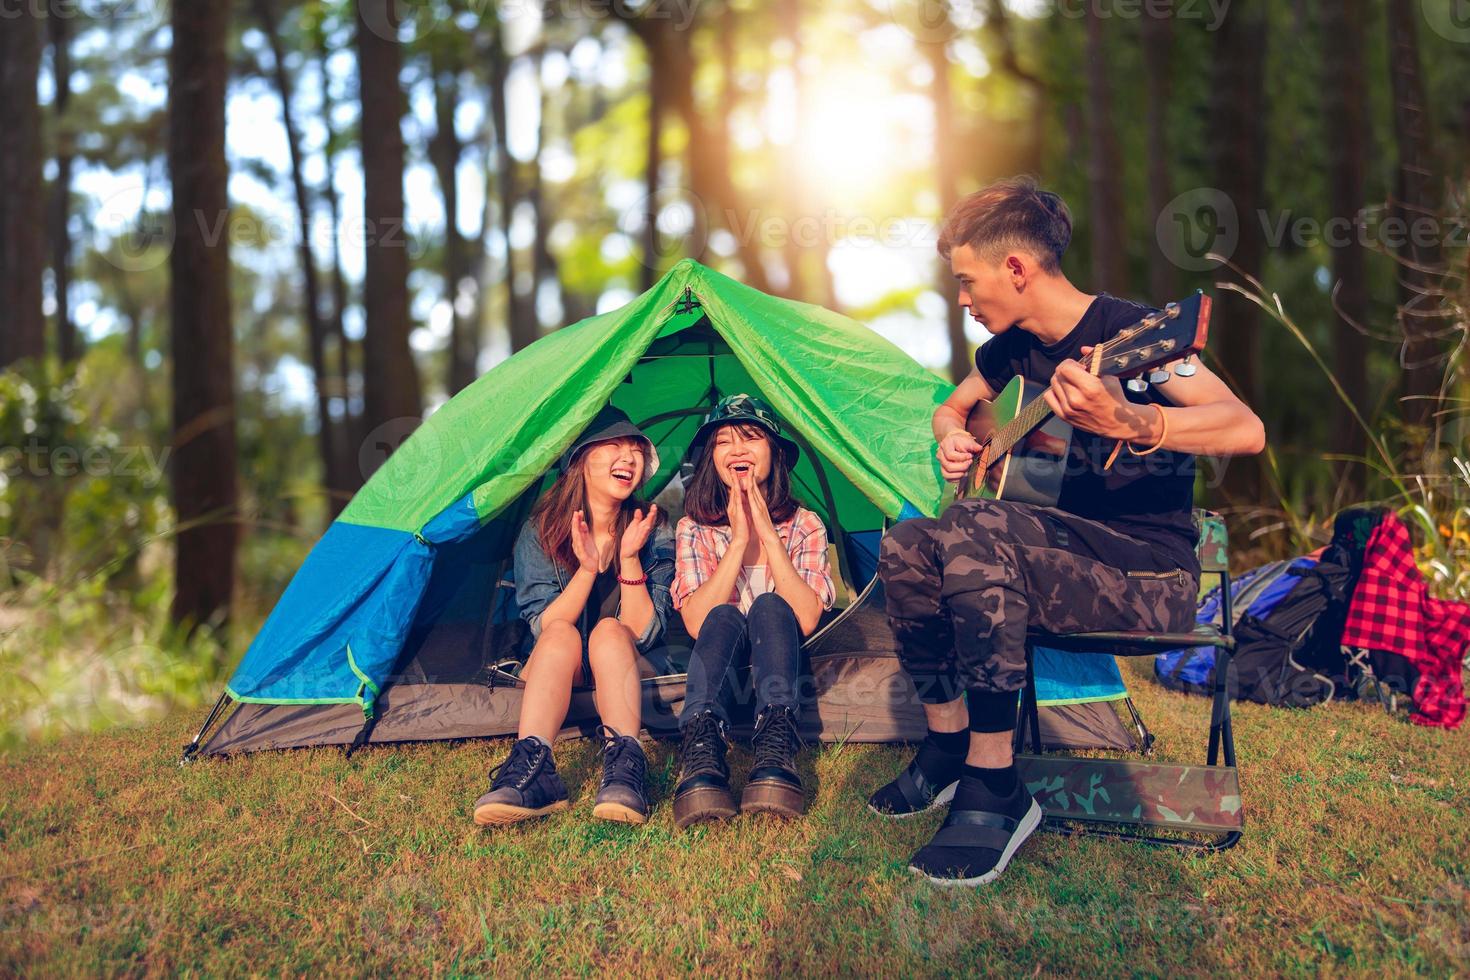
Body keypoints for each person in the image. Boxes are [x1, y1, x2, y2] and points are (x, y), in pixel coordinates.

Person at [868, 176, 1266, 886]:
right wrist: (955, 437)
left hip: (1150, 579)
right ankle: (947, 741)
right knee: (904, 544)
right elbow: (953, 408)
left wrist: (1136, 422)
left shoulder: (1136, 334)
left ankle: (996, 787)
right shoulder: (1012, 349)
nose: (962, 299)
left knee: (970, 526)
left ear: (1015, 269)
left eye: (967, 281)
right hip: (1051, 559)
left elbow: (1246, 427)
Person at [473, 406, 674, 827]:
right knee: (561, 632)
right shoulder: (540, 530)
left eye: (636, 448)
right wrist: (587, 569)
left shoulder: (653, 528)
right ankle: (533, 767)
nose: (629, 458)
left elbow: (646, 630)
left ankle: (624, 765)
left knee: (608, 630)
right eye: (614, 446)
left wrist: (630, 559)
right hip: (556, 663)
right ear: (580, 460)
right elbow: (541, 624)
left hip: (621, 661)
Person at [668, 394, 836, 830]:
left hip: (779, 662)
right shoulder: (694, 528)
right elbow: (694, 621)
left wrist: (767, 531)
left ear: (774, 453)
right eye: (724, 441)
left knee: (768, 604)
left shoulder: (806, 525)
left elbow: (805, 617)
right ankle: (702, 749)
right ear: (712, 459)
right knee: (722, 615)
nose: (737, 449)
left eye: (751, 437)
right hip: (719, 662)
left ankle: (776, 746)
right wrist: (739, 540)